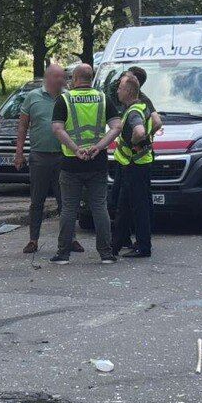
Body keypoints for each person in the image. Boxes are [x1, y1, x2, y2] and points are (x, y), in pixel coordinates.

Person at [51, 63, 122, 263]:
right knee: (99, 207)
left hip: (72, 161)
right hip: (96, 161)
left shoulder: (65, 99)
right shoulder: (103, 98)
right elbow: (116, 127)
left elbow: (57, 129)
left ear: (74, 79)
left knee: (68, 208)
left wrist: (75, 148)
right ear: (91, 78)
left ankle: (63, 254)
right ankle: (106, 254)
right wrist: (99, 147)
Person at [14, 63, 82, 255]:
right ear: (48, 77)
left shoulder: (68, 97)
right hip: (39, 156)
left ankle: (71, 239)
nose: (62, 80)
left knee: (66, 201)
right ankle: (33, 240)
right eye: (58, 77)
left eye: (64, 77)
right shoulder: (32, 97)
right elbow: (22, 127)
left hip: (63, 156)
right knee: (37, 201)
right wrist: (19, 152)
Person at [111, 73, 155, 258]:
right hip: (141, 164)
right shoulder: (143, 106)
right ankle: (118, 245)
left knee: (131, 207)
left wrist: (136, 142)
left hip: (133, 166)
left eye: (120, 88)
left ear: (128, 91)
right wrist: (144, 143)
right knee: (134, 206)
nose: (117, 91)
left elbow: (139, 130)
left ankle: (141, 247)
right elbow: (158, 122)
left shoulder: (133, 112)